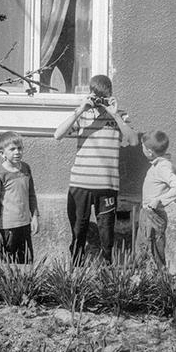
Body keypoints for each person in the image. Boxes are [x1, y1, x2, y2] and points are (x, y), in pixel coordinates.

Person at [54, 74, 138, 263]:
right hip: (80, 184)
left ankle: (106, 270)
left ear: (111, 94)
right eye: (97, 97)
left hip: (107, 185)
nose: (100, 102)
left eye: (104, 97)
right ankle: (76, 270)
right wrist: (80, 110)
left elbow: (133, 141)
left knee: (107, 234)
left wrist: (115, 114)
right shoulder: (82, 115)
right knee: (78, 231)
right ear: (90, 94)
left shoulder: (120, 115)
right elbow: (57, 135)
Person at [135, 130, 176, 267]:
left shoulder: (162, 167)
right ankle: (142, 277)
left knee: (154, 252)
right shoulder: (158, 165)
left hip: (153, 214)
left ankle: (158, 277)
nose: (141, 149)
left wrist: (159, 200)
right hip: (148, 213)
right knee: (143, 250)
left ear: (150, 152)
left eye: (143, 147)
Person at [0, 131, 39, 263]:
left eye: (20, 148)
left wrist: (34, 216)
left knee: (26, 262)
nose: (17, 152)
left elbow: (31, 194)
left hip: (25, 225)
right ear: (2, 153)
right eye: (12, 149)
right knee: (6, 264)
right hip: (7, 227)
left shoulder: (26, 168)